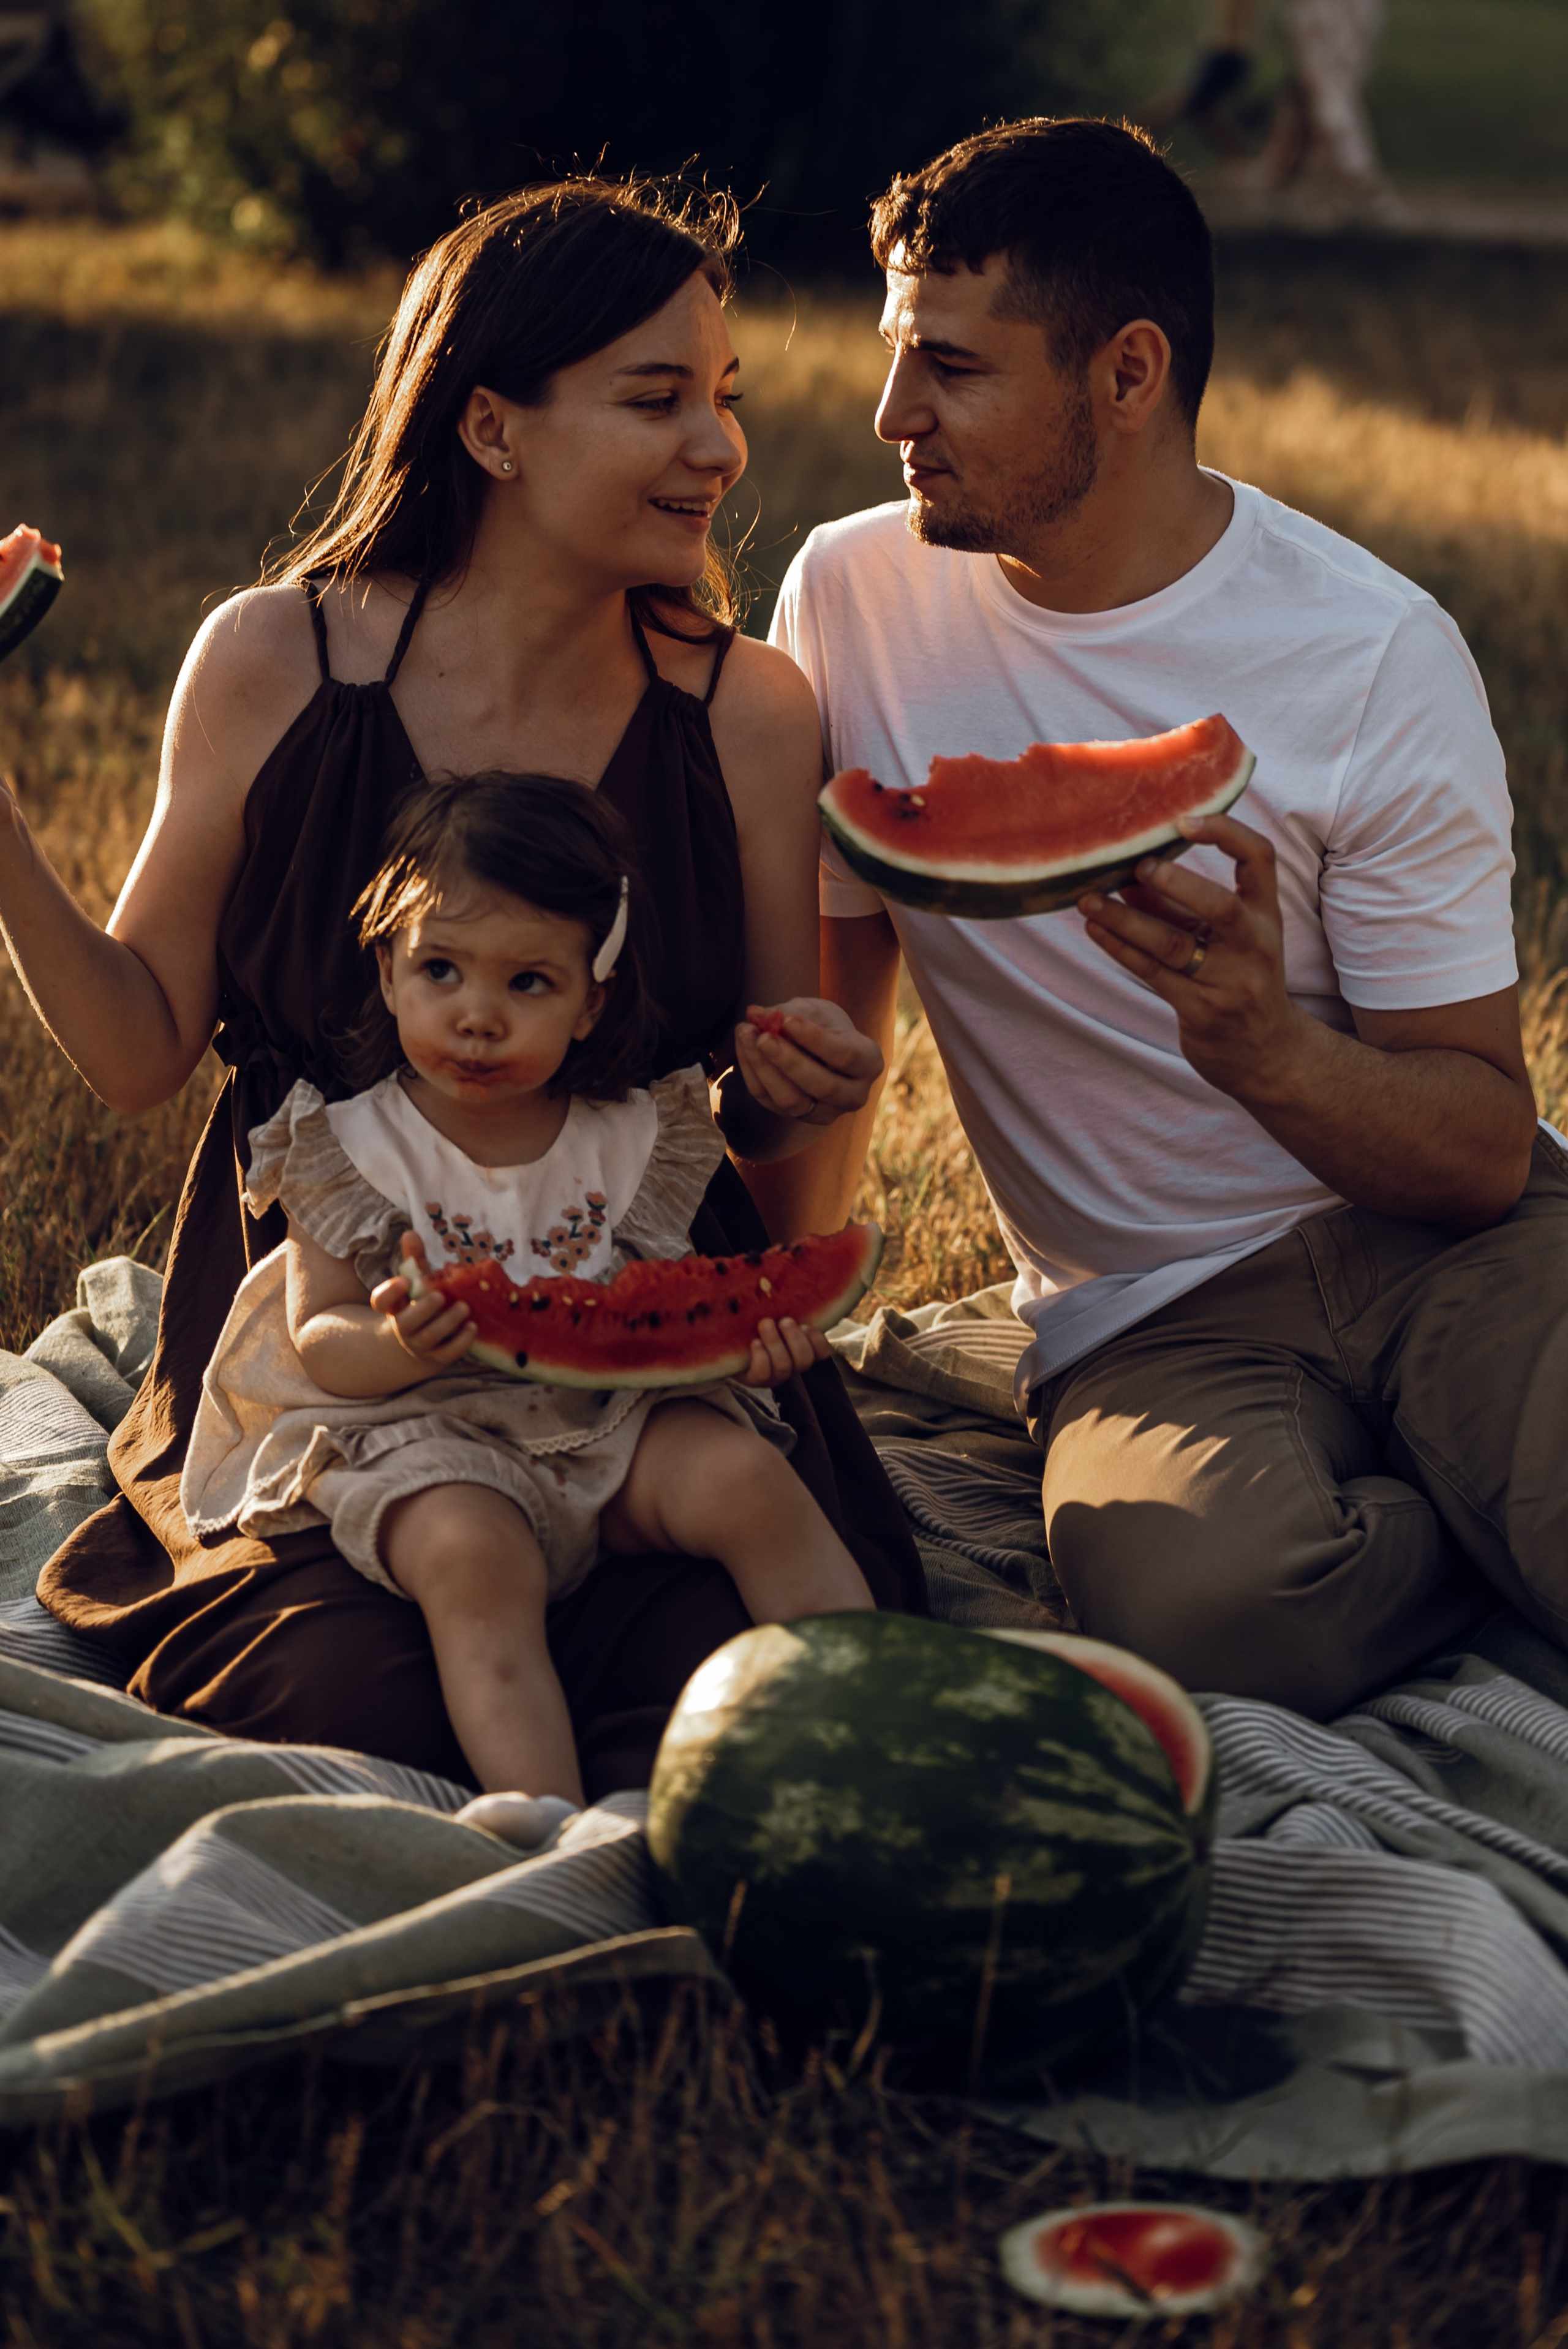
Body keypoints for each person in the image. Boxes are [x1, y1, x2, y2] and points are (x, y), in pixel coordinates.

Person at [0, 175, 924, 1794]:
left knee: (746, 1682)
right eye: (657, 401)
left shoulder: (748, 713)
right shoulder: (276, 660)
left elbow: (772, 1186)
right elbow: (142, 1050)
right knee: (373, 1697)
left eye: (724, 399)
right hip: (335, 1329)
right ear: (492, 428)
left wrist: (813, 1093)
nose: (720, 449)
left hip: (648, 1337)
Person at [765, 116, 1559, 1724]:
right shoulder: (851, 599)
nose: (889, 415)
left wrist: (1265, 1048)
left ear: (1128, 375)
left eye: (953, 370)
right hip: (1152, 1316)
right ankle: (1478, 1534)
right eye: (895, 356)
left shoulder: (1371, 653)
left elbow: (1482, 1145)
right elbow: (843, 1014)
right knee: (1213, 1621)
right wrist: (777, 1309)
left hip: (1447, 1246)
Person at [181, 769, 873, 1830]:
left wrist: (747, 1350)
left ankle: (881, 1722)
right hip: (421, 1434)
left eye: (529, 985)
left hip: (607, 1426)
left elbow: (660, 1312)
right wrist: (400, 1343)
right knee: (472, 1559)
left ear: (593, 999)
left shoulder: (634, 1140)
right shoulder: (350, 1144)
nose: (478, 1017)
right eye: (442, 970)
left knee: (746, 1475)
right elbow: (321, 1338)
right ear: (387, 966)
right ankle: (545, 1816)